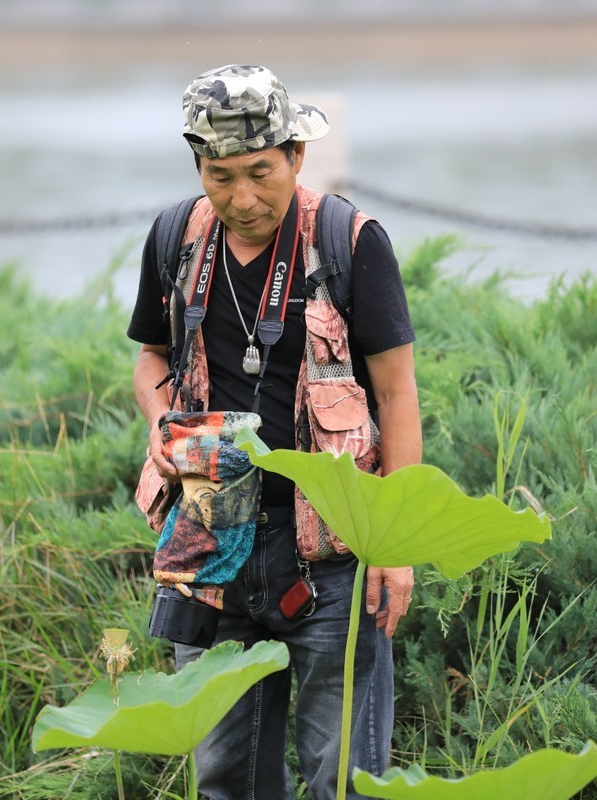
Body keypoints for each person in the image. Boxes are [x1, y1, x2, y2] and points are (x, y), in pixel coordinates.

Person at [127, 64, 421, 800]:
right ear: (198, 164)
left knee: (345, 780)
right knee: (225, 776)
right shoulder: (174, 238)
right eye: (220, 176)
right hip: (208, 542)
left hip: (330, 552)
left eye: (261, 172)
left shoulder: (350, 241)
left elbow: (397, 393)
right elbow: (150, 361)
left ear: (296, 154)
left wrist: (397, 550)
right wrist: (173, 431)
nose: (243, 198)